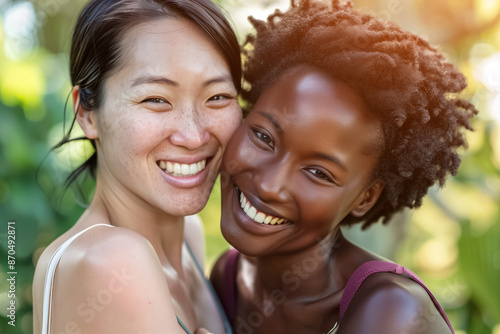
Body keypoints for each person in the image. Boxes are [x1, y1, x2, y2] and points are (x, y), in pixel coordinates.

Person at [210, 0, 477, 333]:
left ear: (365, 197)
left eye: (319, 173)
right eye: (264, 137)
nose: (268, 185)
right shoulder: (230, 278)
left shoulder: (391, 309)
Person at [32, 0, 242, 333]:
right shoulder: (112, 261)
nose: (192, 136)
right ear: (87, 114)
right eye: (155, 99)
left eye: (217, 96)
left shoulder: (188, 234)